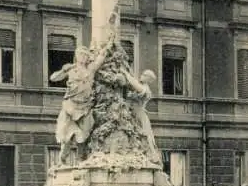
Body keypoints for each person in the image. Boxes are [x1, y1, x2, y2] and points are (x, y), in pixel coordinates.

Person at [50, 29, 116, 165]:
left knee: (84, 136)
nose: (83, 57)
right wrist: (64, 70)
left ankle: (81, 160)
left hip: (85, 106)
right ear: (76, 56)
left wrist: (109, 43)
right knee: (67, 135)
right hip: (71, 105)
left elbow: (101, 57)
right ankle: (63, 158)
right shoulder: (71, 70)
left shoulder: (90, 70)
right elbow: (53, 78)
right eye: (80, 55)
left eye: (85, 55)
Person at [122, 68, 163, 167]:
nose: (142, 75)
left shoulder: (145, 89)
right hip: (131, 114)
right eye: (143, 74)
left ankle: (151, 158)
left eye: (145, 75)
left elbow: (133, 83)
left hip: (139, 116)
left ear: (148, 79)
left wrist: (125, 72)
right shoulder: (142, 86)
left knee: (143, 137)